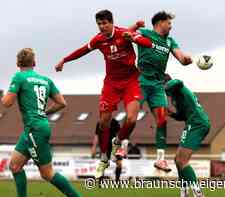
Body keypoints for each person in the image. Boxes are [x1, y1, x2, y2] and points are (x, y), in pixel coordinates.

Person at [55, 9, 153, 179]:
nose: (101, 27)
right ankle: (104, 158)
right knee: (103, 122)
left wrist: (135, 37)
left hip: (131, 81)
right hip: (111, 84)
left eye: (104, 23)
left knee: (131, 119)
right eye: (99, 24)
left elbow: (148, 43)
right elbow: (82, 50)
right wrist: (64, 60)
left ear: (111, 22)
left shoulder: (124, 34)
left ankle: (117, 142)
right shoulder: (99, 40)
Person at [1, 48, 80, 197]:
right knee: (15, 166)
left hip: (34, 129)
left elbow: (7, 103)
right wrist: (45, 112)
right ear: (34, 63)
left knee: (47, 173)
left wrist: (6, 95)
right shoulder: (46, 80)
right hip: (35, 128)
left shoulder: (19, 77)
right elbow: (62, 103)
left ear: (18, 63)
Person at [129, 11, 192, 172]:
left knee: (162, 119)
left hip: (157, 84)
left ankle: (161, 159)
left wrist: (187, 59)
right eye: (169, 23)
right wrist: (135, 26)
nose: (171, 26)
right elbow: (126, 33)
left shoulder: (170, 41)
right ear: (160, 23)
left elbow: (181, 58)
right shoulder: (145, 33)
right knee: (132, 117)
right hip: (141, 80)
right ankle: (120, 144)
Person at [165, 77, 210, 197]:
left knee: (182, 160)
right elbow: (183, 115)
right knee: (177, 160)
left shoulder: (178, 88)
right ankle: (184, 192)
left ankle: (198, 193)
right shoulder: (176, 97)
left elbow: (178, 81)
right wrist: (171, 114)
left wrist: (163, 87)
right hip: (193, 123)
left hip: (197, 124)